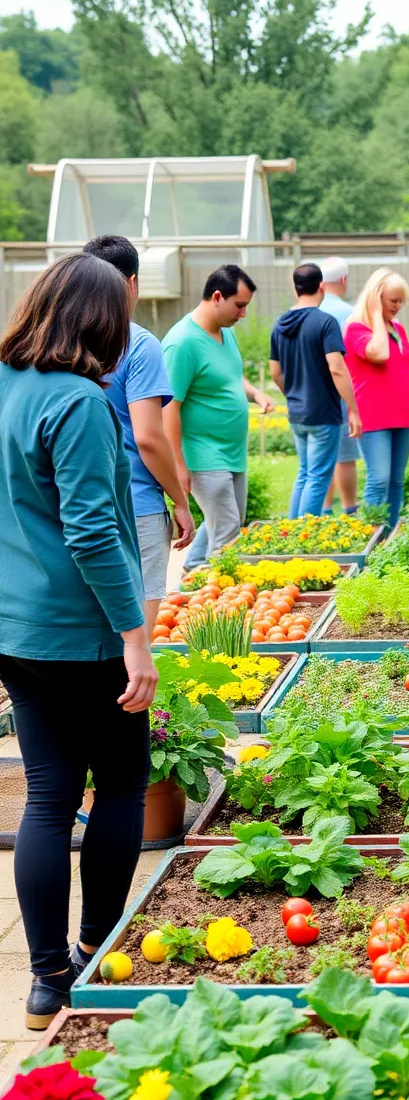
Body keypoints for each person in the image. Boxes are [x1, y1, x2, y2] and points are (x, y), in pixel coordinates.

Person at [0, 254, 157, 1029]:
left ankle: (45, 982)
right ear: (103, 322)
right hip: (83, 632)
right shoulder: (80, 403)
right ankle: (96, 954)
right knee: (123, 783)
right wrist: (136, 637)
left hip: (15, 630)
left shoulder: (3, 386)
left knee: (49, 795)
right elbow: (94, 532)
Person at [82, 236, 195, 632]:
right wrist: (180, 502)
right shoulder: (138, 343)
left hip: (75, 499)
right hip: (136, 502)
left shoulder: (59, 341)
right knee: (137, 631)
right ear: (131, 283)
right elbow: (148, 437)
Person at [162, 265, 274, 571]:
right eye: (239, 306)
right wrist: (178, 464)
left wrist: (255, 394)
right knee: (228, 531)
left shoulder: (225, 333)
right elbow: (167, 407)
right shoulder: (182, 343)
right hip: (203, 455)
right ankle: (222, 605)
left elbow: (231, 377)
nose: (243, 315)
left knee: (225, 520)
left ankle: (193, 568)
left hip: (232, 453)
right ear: (216, 297)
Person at [269, 262, 361, 518]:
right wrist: (353, 409)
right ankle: (302, 537)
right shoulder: (325, 322)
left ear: (295, 288)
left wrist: (293, 394)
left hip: (297, 413)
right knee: (318, 477)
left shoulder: (280, 324)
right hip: (323, 413)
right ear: (321, 286)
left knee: (305, 473)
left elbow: (275, 372)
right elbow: (337, 368)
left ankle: (291, 532)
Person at [344, 268, 409, 529]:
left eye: (401, 301)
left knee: (396, 481)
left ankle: (389, 535)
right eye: (393, 301)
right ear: (376, 298)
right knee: (378, 478)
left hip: (402, 416)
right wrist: (377, 315)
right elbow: (378, 354)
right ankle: (371, 536)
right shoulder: (356, 329)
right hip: (374, 416)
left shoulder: (398, 329)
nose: (399, 306)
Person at [318, 256, 360, 515]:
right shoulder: (350, 314)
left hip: (312, 396)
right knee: (345, 458)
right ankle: (350, 510)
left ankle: (323, 511)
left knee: (320, 460)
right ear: (343, 279)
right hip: (342, 393)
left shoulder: (306, 312)